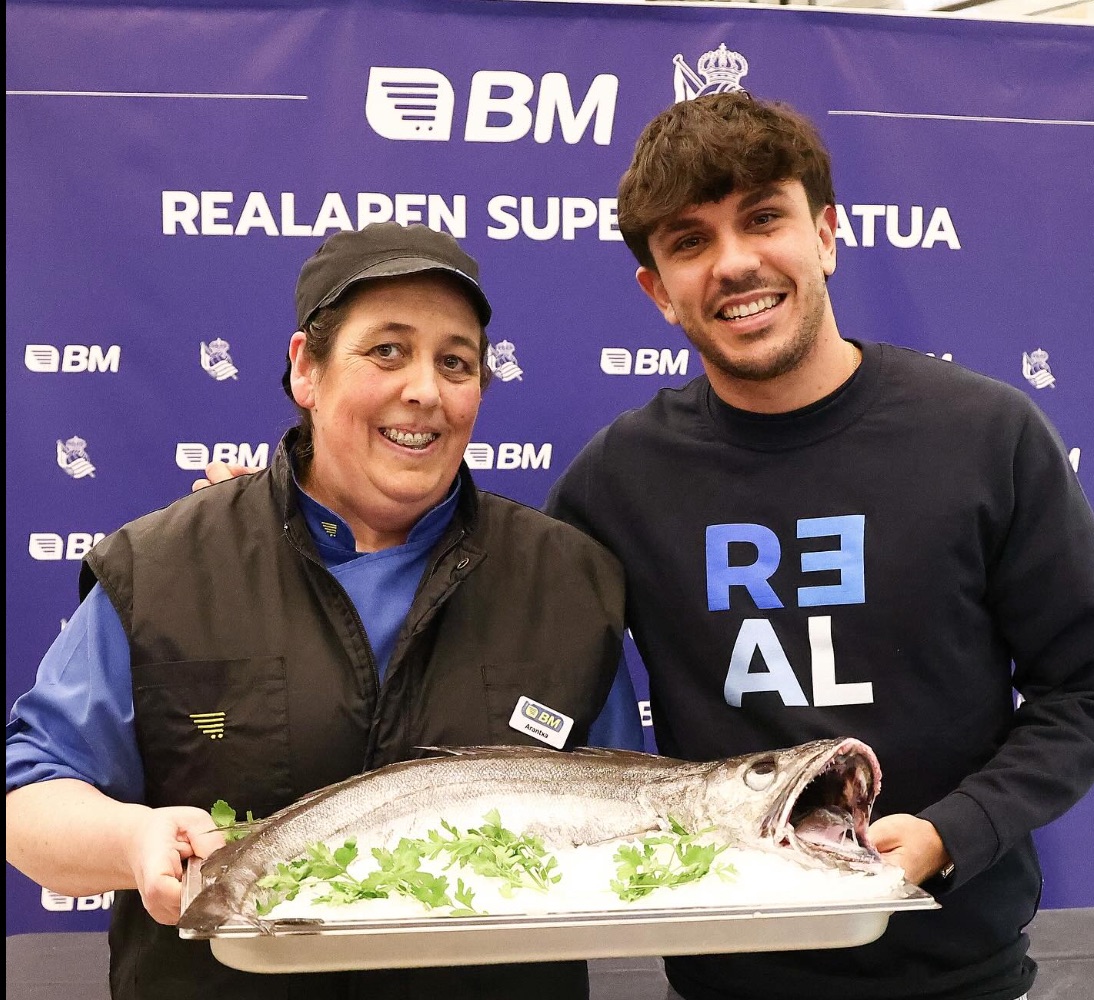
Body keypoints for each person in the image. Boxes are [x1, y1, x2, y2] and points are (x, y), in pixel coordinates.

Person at [541, 91, 1094, 1000]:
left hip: (959, 975)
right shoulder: (617, 480)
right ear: (658, 291)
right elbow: (483, 630)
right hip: (725, 979)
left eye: (765, 218)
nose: (735, 262)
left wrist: (954, 832)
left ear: (826, 234)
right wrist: (277, 521)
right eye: (689, 242)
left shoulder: (986, 436)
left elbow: (1080, 688)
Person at [6, 221, 642, 1000]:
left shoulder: (569, 583)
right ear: (306, 368)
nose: (425, 391)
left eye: (456, 362)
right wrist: (135, 839)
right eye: (387, 351)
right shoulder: (164, 568)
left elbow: (626, 817)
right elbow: (30, 797)